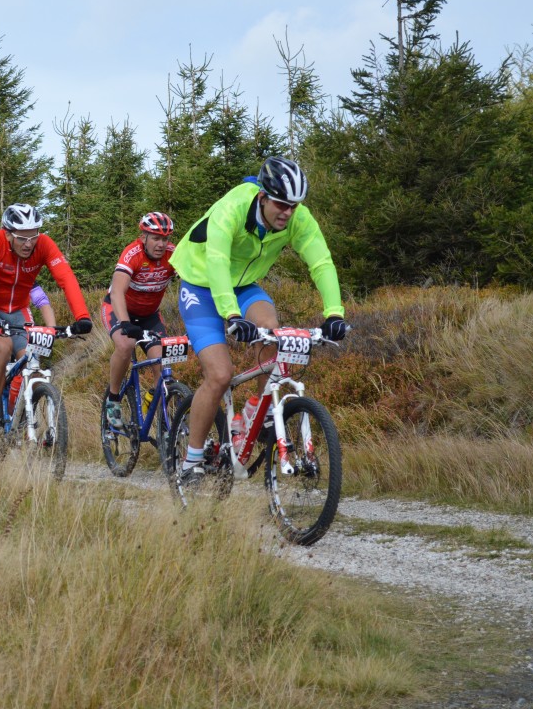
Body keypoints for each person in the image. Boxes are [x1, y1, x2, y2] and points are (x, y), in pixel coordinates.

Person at [169, 156, 349, 483]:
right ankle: (191, 460)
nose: (288, 212)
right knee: (220, 374)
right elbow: (218, 261)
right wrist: (232, 315)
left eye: (294, 206)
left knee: (277, 337)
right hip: (201, 282)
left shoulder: (297, 217)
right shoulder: (233, 208)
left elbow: (321, 262)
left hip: (243, 284)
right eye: (281, 203)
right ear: (262, 197)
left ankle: (254, 408)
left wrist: (334, 313)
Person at [0, 203, 93, 438]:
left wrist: (82, 316)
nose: (28, 244)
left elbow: (66, 278)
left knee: (32, 360)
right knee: (2, 346)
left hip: (19, 310)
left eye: (33, 237)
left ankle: (17, 416)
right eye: (21, 238)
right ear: (7, 234)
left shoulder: (44, 244)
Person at [103, 212, 178, 429]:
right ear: (143, 237)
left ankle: (156, 413)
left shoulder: (173, 254)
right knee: (125, 345)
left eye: (165, 239)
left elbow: (193, 280)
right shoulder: (132, 253)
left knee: (161, 362)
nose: (161, 244)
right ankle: (113, 399)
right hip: (119, 309)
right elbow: (117, 292)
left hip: (150, 316)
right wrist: (126, 324)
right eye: (155, 238)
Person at [0, 283, 55, 386]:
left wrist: (52, 330)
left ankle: (28, 398)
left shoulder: (24, 274)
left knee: (30, 356)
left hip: (14, 315)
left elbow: (42, 302)